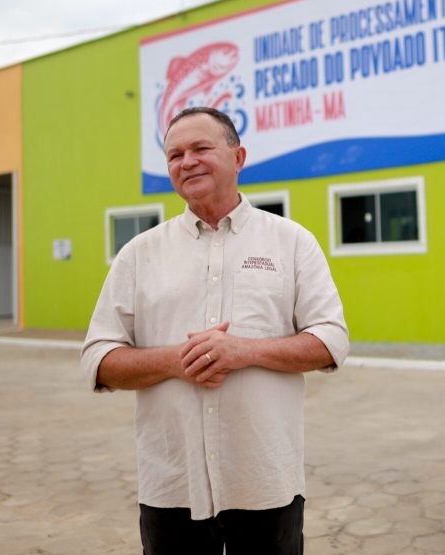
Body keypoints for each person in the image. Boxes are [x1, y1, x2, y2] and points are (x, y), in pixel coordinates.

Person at [81, 106, 349, 555]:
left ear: (238, 157)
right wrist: (176, 361)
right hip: (172, 485)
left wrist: (243, 351)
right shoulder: (139, 254)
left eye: (201, 148)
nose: (187, 161)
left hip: (265, 481)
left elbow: (331, 342)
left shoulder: (291, 241)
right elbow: (98, 360)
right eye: (174, 154)